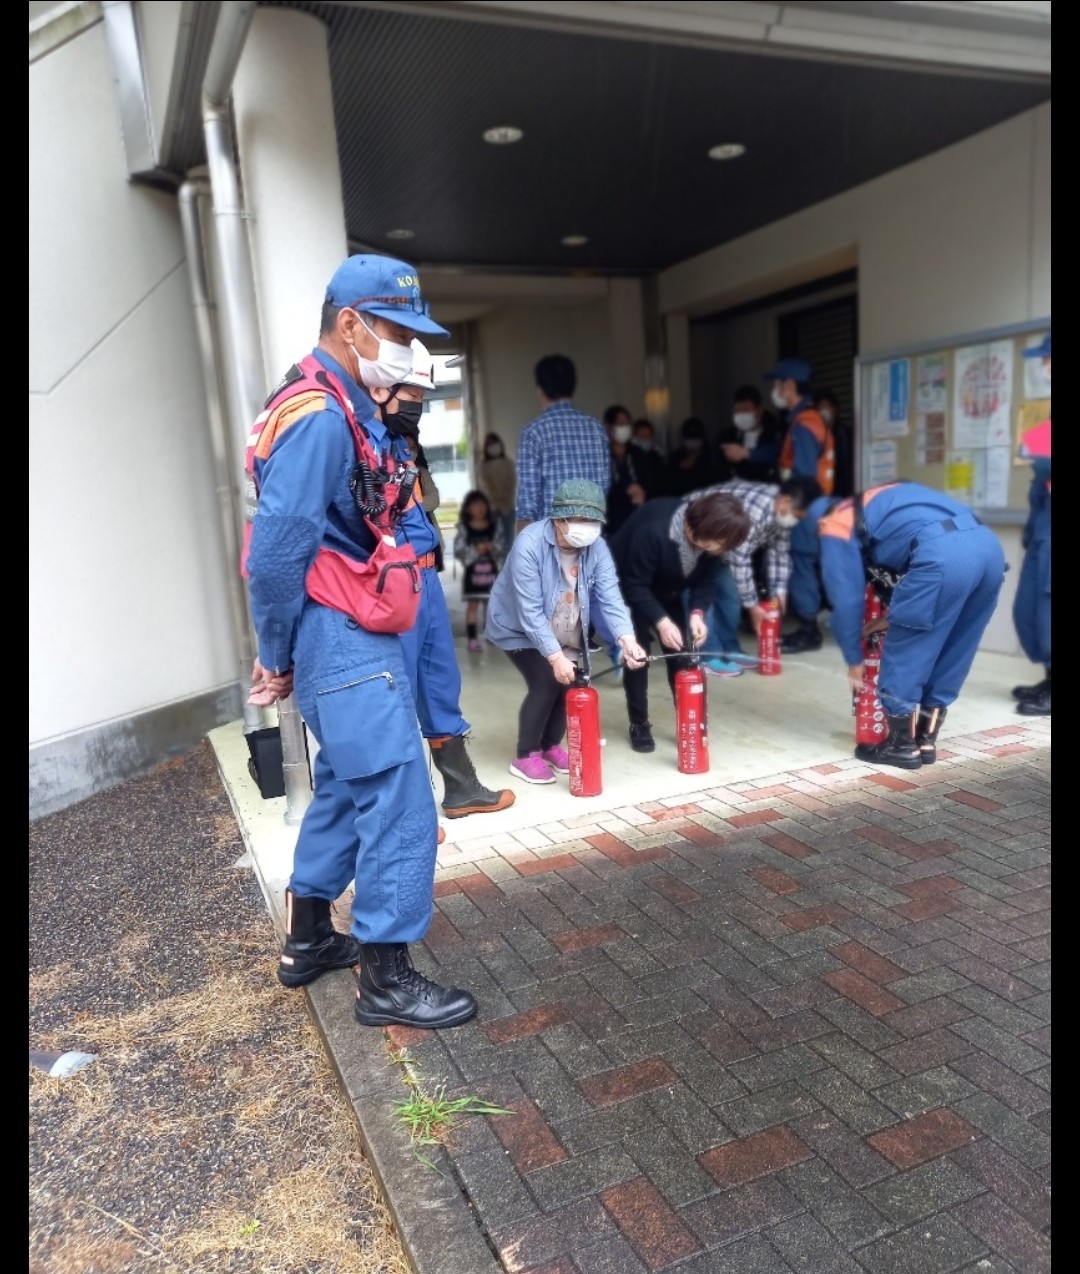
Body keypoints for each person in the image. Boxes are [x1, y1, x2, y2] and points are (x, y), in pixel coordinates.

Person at [244, 252, 477, 1030]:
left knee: (348, 785)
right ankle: (387, 981)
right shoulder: (319, 416)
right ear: (350, 324)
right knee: (400, 796)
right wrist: (275, 653)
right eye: (397, 332)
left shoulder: (340, 404)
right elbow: (276, 553)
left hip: (339, 631)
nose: (408, 349)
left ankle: (308, 939)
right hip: (341, 634)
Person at [372, 344, 515, 821]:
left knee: (439, 681)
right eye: (412, 393)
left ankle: (461, 789)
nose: (418, 404)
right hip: (393, 581)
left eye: (422, 395)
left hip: (427, 575)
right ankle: (408, 814)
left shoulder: (403, 443)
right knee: (397, 688)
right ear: (381, 389)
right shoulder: (361, 443)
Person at [805, 481, 1006, 769]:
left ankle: (900, 747)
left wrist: (854, 657)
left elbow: (846, 597)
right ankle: (925, 741)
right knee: (957, 646)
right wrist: (890, 617)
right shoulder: (885, 495)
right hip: (989, 549)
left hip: (940, 554)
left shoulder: (835, 523)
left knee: (908, 648)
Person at [485, 480, 647, 783]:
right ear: (559, 520)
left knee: (571, 682)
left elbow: (610, 597)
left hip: (564, 624)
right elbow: (530, 611)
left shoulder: (597, 547)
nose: (588, 527)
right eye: (580, 520)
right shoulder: (529, 544)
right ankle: (526, 755)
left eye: (593, 520)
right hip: (518, 627)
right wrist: (555, 657)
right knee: (548, 680)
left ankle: (549, 746)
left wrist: (627, 639)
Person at [608, 490, 752, 753]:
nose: (720, 551)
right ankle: (639, 723)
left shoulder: (714, 539)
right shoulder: (654, 532)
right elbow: (634, 585)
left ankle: (688, 718)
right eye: (717, 545)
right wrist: (662, 622)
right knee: (638, 655)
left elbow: (706, 581)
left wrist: (697, 613)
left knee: (681, 653)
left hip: (668, 589)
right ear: (695, 532)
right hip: (628, 585)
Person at [700, 477, 823, 677]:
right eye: (797, 515)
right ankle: (708, 657)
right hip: (697, 541)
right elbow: (740, 559)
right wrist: (753, 606)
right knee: (703, 600)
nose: (796, 521)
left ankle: (730, 651)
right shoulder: (755, 512)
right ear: (785, 501)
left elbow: (779, 554)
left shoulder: (781, 514)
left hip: (722, 547)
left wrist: (779, 594)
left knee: (730, 598)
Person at [766, 358, 836, 654]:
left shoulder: (805, 424)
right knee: (804, 564)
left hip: (803, 509)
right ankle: (809, 624)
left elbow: (804, 478)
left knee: (801, 565)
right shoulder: (806, 419)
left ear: (790, 385)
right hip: (811, 507)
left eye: (778, 384)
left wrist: (789, 507)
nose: (775, 390)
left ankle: (809, 629)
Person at [515, 355, 611, 533]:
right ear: (572, 386)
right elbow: (604, 487)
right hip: (592, 539)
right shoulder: (597, 430)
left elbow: (528, 507)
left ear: (540, 389)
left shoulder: (533, 433)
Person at [1012, 332, 1051, 716]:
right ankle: (1049, 677)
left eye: (1047, 358)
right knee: (1032, 606)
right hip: (1045, 520)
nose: (1044, 366)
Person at [602, 404, 667, 536]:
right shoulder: (601, 454)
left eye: (627, 423)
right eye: (621, 424)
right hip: (612, 522)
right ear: (609, 427)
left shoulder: (638, 454)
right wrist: (625, 488)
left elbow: (651, 482)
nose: (625, 427)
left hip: (639, 518)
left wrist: (642, 491)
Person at [454, 489, 506, 652]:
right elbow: (459, 550)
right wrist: (477, 551)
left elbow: (501, 546)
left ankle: (491, 635)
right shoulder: (464, 528)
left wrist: (492, 548)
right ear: (468, 509)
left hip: (491, 573)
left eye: (482, 504)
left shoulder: (494, 526)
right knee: (473, 605)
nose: (480, 508)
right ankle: (472, 639)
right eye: (475, 505)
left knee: (490, 605)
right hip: (473, 575)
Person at [717, 385, 784, 483]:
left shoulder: (774, 433)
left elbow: (775, 453)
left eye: (746, 409)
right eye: (738, 410)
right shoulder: (727, 437)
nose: (742, 414)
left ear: (759, 410)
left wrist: (746, 453)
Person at [477, 431, 517, 553]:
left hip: (508, 509)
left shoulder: (508, 463)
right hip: (491, 511)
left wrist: (504, 506)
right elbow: (485, 488)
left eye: (495, 443)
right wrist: (494, 506)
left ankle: (509, 564)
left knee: (509, 542)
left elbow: (511, 486)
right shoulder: (483, 466)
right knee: (493, 545)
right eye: (490, 444)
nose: (493, 447)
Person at [815, 389, 856, 499]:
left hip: (845, 493)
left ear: (835, 409)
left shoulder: (847, 434)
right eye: (820, 409)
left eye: (827, 408)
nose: (824, 413)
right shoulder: (816, 436)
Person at [666, 417, 720, 497]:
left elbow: (715, 480)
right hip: (680, 498)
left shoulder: (711, 455)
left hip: (705, 497)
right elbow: (668, 482)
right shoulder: (676, 456)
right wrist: (679, 469)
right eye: (689, 437)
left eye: (696, 437)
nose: (693, 440)